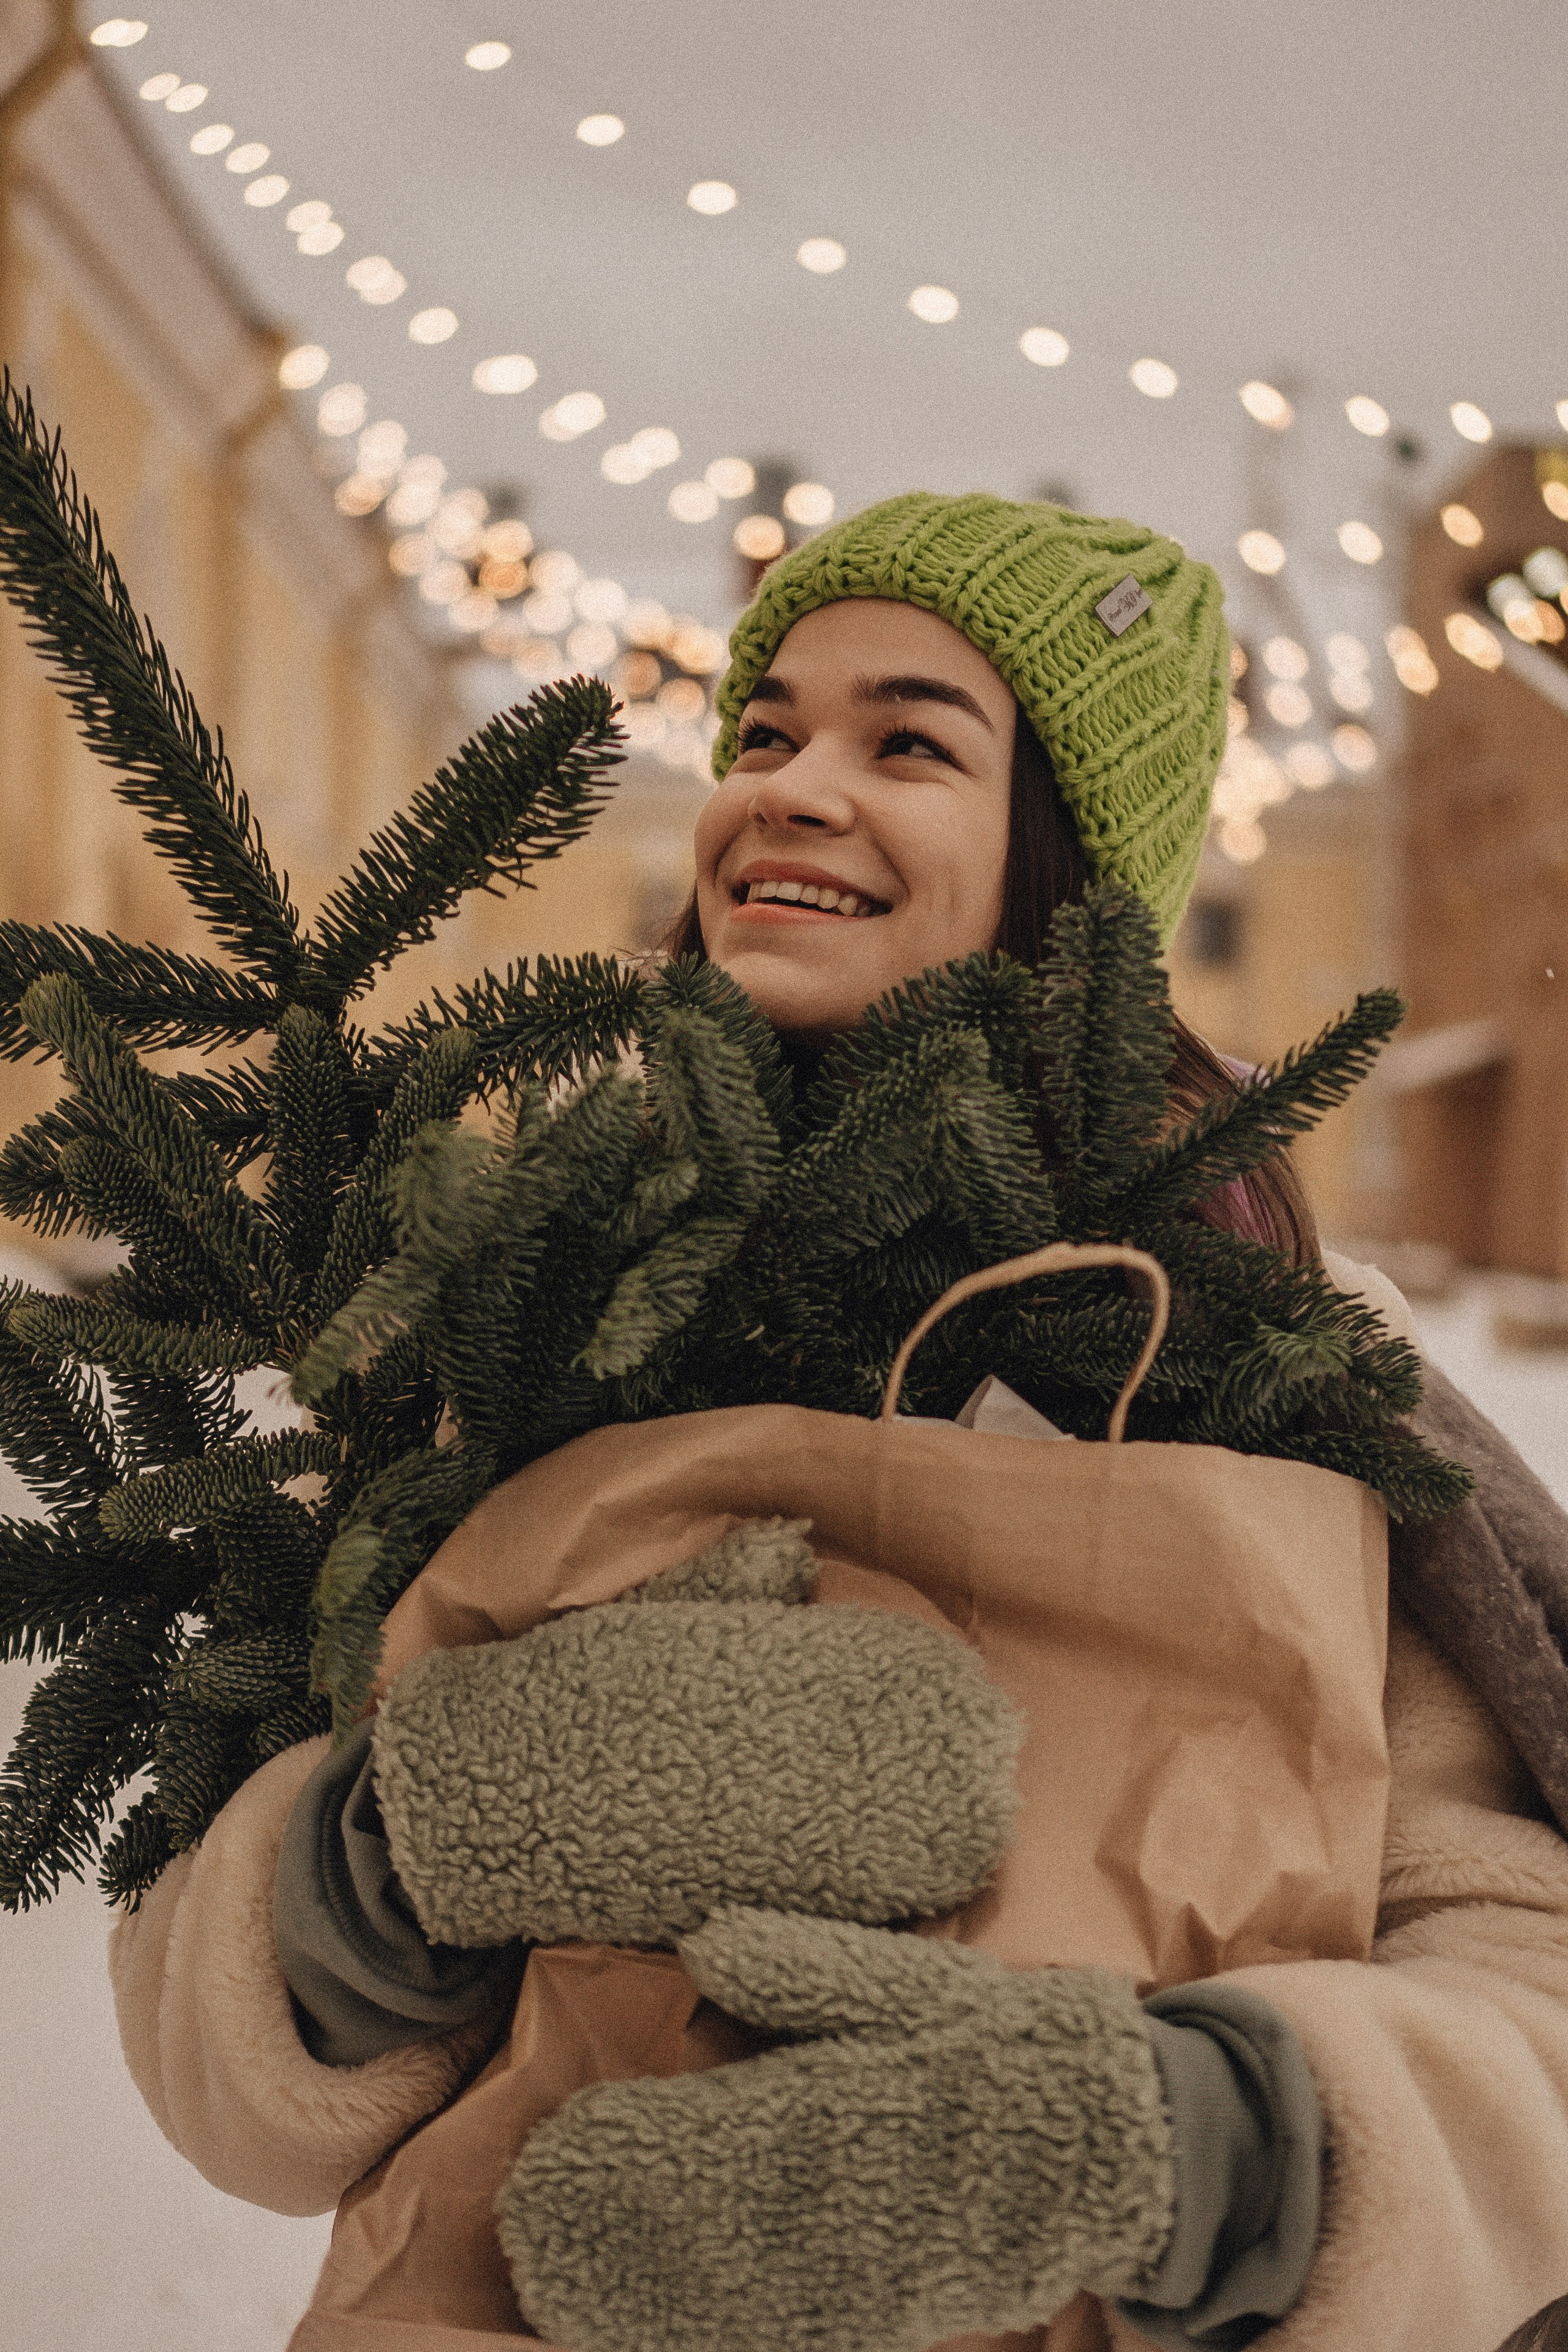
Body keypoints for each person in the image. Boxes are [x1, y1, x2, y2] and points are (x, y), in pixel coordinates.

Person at [110, 494, 1568, 2352]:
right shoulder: (532, 1302)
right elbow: (221, 2080)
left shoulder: (1254, 1361)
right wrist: (389, 1852)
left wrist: (1199, 2150)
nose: (789, 787)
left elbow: (1534, 1990)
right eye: (768, 731)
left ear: (1067, 862)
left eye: (908, 743)